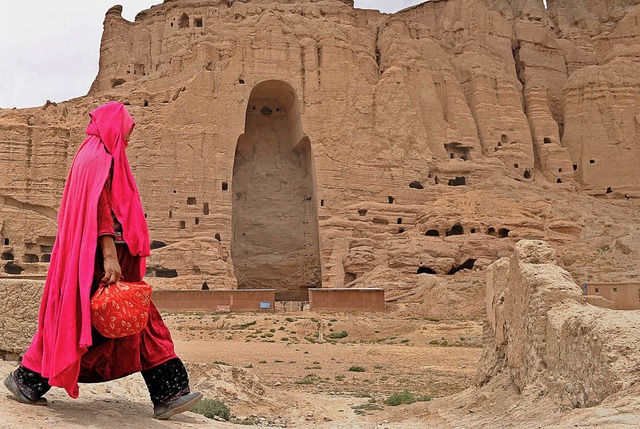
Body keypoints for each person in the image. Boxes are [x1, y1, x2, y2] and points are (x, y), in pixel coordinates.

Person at [3, 101, 203, 420]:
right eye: (126, 131)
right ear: (113, 127)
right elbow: (100, 208)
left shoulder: (93, 154)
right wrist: (110, 257)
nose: (128, 138)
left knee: (85, 321)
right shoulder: (99, 157)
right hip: (98, 262)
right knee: (137, 318)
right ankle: (167, 392)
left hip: (94, 259)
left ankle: (29, 380)